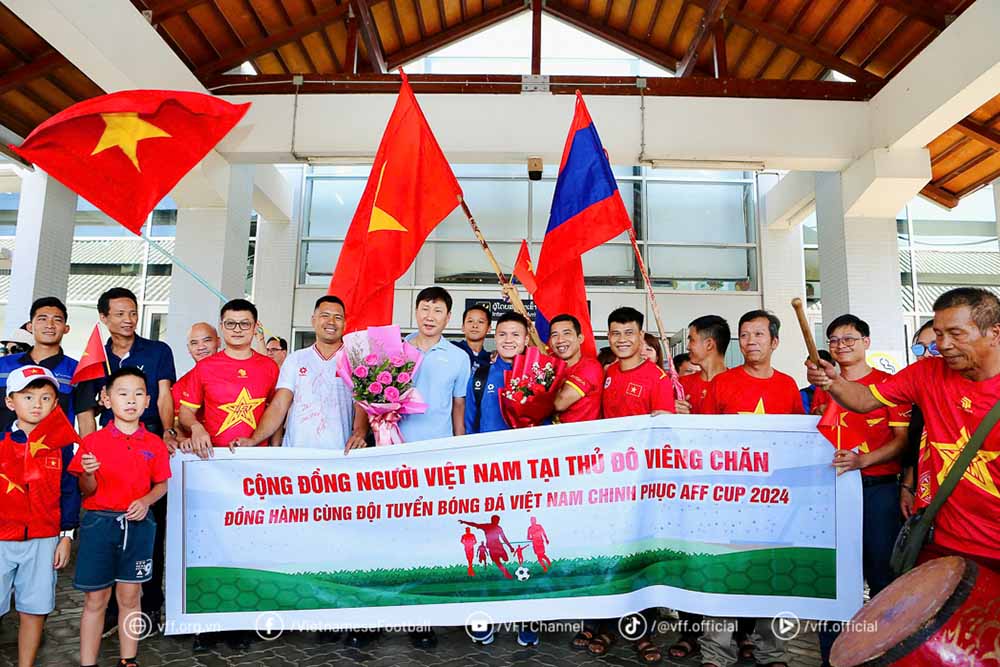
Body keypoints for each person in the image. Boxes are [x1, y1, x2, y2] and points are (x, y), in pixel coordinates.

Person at [806, 288, 1000, 573]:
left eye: (956, 333)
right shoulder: (926, 374)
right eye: (939, 334)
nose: (944, 344)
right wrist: (833, 382)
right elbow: (863, 400)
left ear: (994, 332)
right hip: (940, 544)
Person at [699, 310, 802, 667]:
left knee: (770, 574)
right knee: (722, 573)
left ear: (774, 341)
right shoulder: (722, 384)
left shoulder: (788, 386)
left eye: (759, 334)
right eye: (744, 335)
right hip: (727, 499)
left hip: (772, 502)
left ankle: (771, 650)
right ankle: (716, 652)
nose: (751, 341)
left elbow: (799, 444)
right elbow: (704, 440)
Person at [74, 287, 175, 635]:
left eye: (132, 312)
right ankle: (113, 614)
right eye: (119, 313)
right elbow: (87, 413)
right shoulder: (93, 359)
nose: (127, 319)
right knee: (110, 533)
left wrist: (167, 431)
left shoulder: (158, 350)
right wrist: (90, 453)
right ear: (104, 318)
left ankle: (148, 608)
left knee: (149, 530)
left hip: (148, 447)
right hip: (110, 451)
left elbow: (164, 396)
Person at [810, 314, 910, 665]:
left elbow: (902, 442)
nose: (841, 345)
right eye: (834, 340)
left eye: (849, 338)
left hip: (876, 491)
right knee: (832, 576)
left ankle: (883, 652)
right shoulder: (819, 388)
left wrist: (862, 461)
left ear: (867, 342)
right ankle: (831, 656)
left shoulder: (890, 385)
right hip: (830, 496)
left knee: (881, 575)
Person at [69, 367, 170, 667]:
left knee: (131, 596)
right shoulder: (93, 442)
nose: (131, 400)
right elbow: (86, 490)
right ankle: (88, 662)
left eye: (138, 393)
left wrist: (145, 501)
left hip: (139, 527)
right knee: (95, 600)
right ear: (107, 399)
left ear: (148, 401)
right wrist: (88, 472)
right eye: (122, 393)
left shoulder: (154, 443)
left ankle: (129, 659)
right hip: (99, 525)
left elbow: (161, 484)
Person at [597, 307, 674, 664]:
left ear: (641, 337)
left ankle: (643, 633)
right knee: (610, 555)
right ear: (608, 337)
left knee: (641, 559)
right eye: (616, 333)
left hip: (643, 487)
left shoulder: (657, 377)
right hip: (608, 484)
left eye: (629, 333)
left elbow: (664, 432)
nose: (622, 339)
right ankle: (606, 627)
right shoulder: (606, 374)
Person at [0, 366, 79, 667]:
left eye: (46, 397)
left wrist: (66, 536)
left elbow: (69, 493)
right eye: (28, 396)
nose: (37, 404)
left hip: (44, 539)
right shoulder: (1, 442)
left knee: (34, 608)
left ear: (56, 404)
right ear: (10, 402)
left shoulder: (63, 448)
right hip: (2, 538)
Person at [669, 315, 731, 659]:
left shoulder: (737, 382)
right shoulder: (684, 386)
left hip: (729, 492)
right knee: (691, 562)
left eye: (691, 339)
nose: (688, 345)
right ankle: (690, 631)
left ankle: (740, 635)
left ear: (709, 344)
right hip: (689, 492)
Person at [231, 296, 368, 452]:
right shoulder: (295, 359)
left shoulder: (355, 361)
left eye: (338, 317)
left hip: (338, 454)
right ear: (313, 320)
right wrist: (253, 440)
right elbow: (279, 406)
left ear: (345, 323)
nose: (331, 322)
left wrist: (360, 433)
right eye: (325, 315)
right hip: (296, 456)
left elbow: (361, 405)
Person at [179, 299, 279, 456]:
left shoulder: (269, 367)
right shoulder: (205, 366)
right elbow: (186, 411)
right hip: (214, 457)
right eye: (230, 324)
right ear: (221, 327)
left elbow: (277, 411)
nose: (237, 330)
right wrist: (195, 427)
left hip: (258, 456)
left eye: (244, 324)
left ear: (255, 327)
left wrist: (276, 450)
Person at [399, 287, 471, 445]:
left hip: (440, 445)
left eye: (437, 311)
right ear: (416, 311)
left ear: (448, 317)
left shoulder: (459, 357)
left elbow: (459, 405)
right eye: (425, 309)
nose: (429, 317)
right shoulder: (396, 350)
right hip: (397, 442)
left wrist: (460, 443)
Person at [0, 297, 81, 432]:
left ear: (66, 328)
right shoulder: (3, 365)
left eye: (57, 320)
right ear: (30, 327)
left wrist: (87, 451)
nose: (49, 325)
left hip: (57, 452)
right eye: (42, 319)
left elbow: (84, 417)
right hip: (5, 450)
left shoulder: (77, 370)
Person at [465, 312, 529, 435]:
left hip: (528, 453)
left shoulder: (539, 376)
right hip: (489, 453)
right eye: (502, 334)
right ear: (495, 337)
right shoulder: (480, 377)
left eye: (515, 334)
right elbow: (470, 427)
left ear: (526, 339)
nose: (508, 340)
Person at [900, 320, 936, 519]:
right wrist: (907, 486)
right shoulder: (918, 397)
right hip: (924, 494)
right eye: (919, 348)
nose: (926, 354)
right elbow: (915, 450)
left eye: (934, 347)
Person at [550, 313, 604, 424]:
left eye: (566, 333)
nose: (560, 340)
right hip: (555, 437)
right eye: (554, 335)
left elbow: (559, 403)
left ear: (580, 338)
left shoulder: (590, 367)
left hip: (582, 438)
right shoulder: (551, 364)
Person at [169, 322, 220, 440]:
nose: (201, 347)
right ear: (189, 349)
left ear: (218, 342)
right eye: (194, 343)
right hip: (199, 451)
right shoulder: (180, 385)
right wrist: (184, 441)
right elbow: (177, 426)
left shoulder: (236, 372)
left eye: (207, 340)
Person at [453, 304, 492, 372]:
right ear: (463, 327)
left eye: (480, 322)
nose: (475, 325)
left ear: (489, 328)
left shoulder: (490, 359)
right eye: (470, 321)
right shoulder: (452, 349)